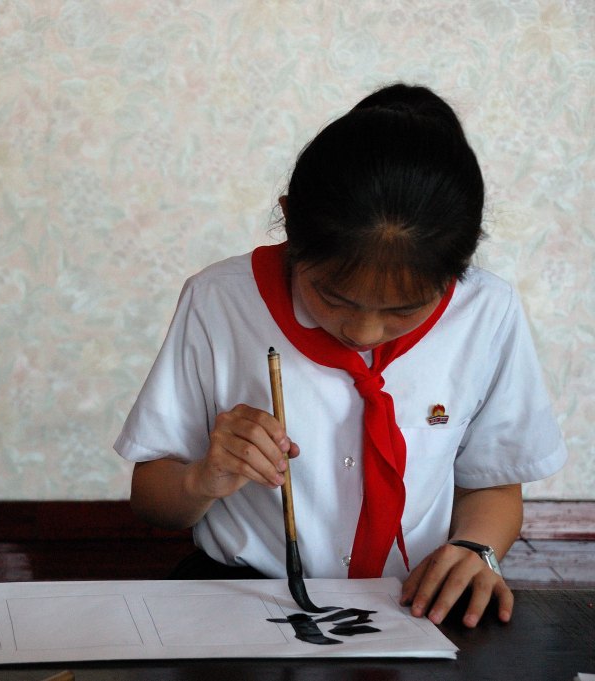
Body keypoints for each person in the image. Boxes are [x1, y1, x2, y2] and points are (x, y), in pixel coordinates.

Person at [114, 83, 566, 629]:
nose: (364, 331)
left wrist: (476, 550)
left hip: (417, 602)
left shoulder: (487, 312)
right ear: (290, 222)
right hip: (242, 600)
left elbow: (492, 480)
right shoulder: (220, 301)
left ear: (459, 268)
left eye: (404, 309)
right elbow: (150, 500)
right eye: (333, 296)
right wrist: (203, 477)